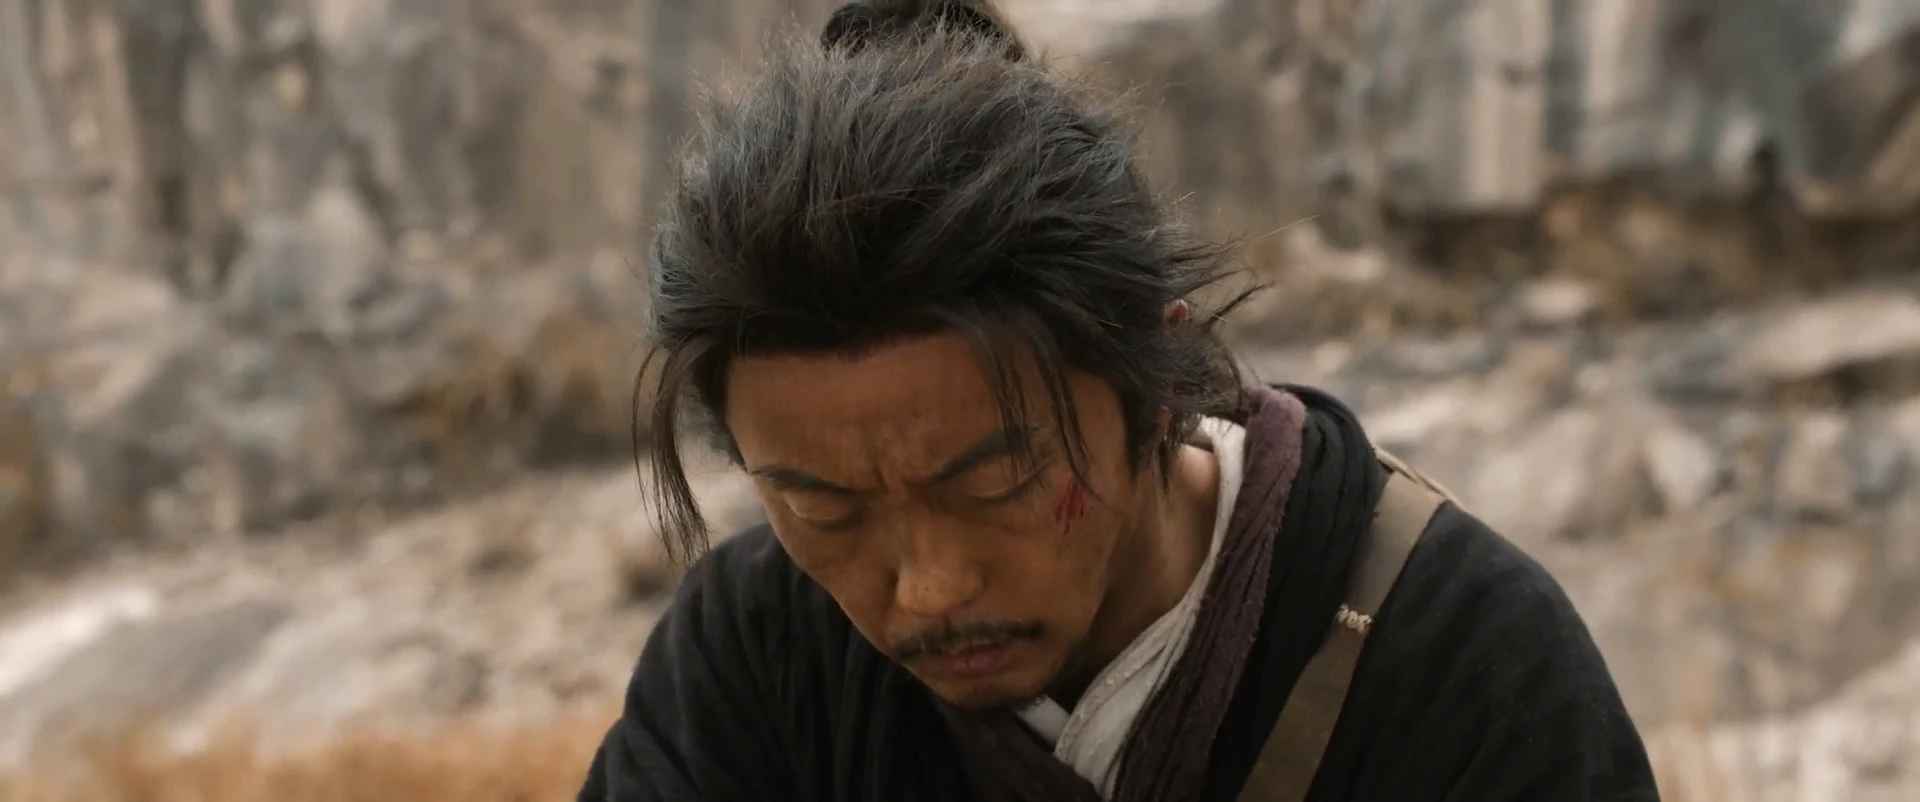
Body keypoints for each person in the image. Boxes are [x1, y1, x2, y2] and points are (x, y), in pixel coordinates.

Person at [578, 2, 1660, 801]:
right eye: (824, 507)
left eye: (996, 479)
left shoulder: (1465, 664)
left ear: (1157, 376)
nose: (929, 587)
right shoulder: (757, 651)